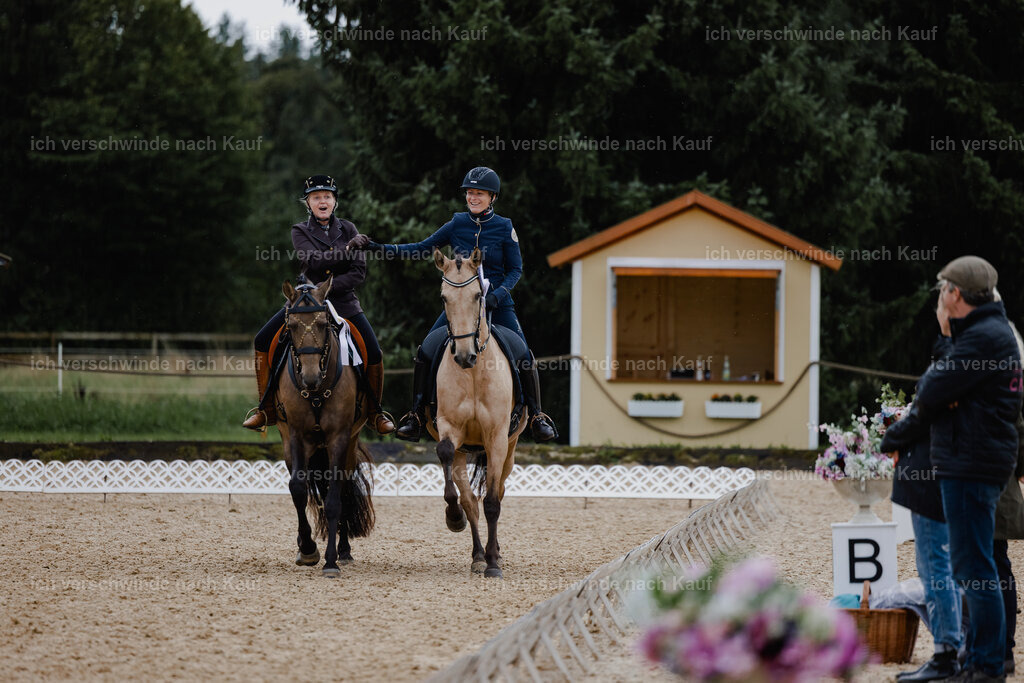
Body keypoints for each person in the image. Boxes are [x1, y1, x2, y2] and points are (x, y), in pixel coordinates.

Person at [347, 166, 558, 443]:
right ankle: (416, 416)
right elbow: (421, 247)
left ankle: (537, 417)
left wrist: (498, 295)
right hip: (462, 306)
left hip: (498, 303)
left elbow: (515, 270)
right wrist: (375, 247)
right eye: (470, 193)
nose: (472, 198)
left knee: (524, 354)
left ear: (492, 197)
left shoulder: (505, 227)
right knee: (426, 350)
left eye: (479, 194)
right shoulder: (457, 223)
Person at [911, 255, 1022, 683]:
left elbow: (939, 389)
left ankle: (992, 659)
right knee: (980, 563)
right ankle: (982, 657)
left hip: (986, 460)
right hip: (986, 457)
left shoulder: (990, 336)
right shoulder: (983, 333)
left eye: (945, 291)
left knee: (987, 563)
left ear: (960, 295)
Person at [242, 174, 395, 435]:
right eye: (316, 198)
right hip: (306, 303)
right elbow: (315, 262)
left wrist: (328, 288)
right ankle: (265, 408)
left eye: (327, 196)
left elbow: (358, 273)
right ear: (308, 203)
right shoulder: (299, 231)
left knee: (374, 351)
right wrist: (347, 250)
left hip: (344, 302)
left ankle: (375, 412)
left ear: (335, 201)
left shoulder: (349, 228)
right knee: (262, 339)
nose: (322, 201)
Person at [881, 392, 962, 681]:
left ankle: (947, 653)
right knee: (946, 566)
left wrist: (891, 437)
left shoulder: (951, 367)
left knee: (934, 567)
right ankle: (958, 648)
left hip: (933, 478)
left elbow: (922, 413)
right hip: (958, 474)